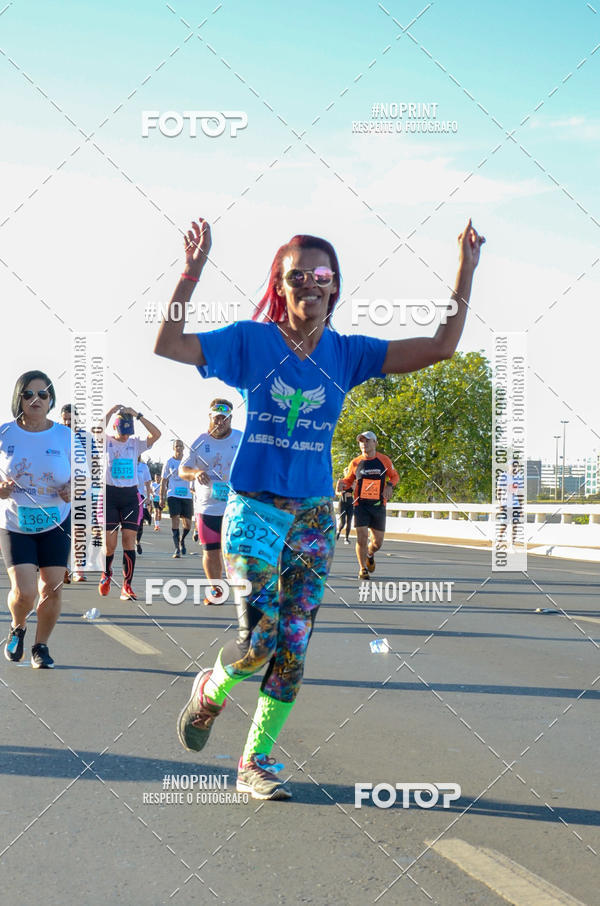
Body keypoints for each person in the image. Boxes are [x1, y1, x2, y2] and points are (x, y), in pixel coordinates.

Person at [154, 214, 484, 799]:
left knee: (294, 649)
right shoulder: (253, 343)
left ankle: (254, 761)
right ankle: (210, 690)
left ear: (336, 286)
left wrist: (466, 270)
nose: (310, 283)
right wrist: (191, 273)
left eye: (321, 274)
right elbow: (168, 344)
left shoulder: (347, 354)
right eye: (297, 275)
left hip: (312, 517)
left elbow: (441, 345)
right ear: (280, 288)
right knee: (258, 643)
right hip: (253, 510)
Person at [1, 372, 71, 668]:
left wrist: (74, 489)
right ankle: (18, 626)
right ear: (19, 398)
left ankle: (41, 647)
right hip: (16, 523)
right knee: (25, 592)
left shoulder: (66, 436)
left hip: (56, 522)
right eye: (29, 394)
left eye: (43, 395)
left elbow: (86, 477)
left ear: (51, 400)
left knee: (52, 588)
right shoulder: (4, 433)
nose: (36, 400)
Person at [179, 399, 242, 605]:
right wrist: (196, 472)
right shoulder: (199, 442)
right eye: (217, 418)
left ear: (231, 418)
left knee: (236, 550)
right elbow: (182, 470)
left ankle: (245, 588)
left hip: (237, 506)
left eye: (225, 419)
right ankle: (216, 589)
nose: (220, 422)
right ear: (210, 417)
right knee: (211, 550)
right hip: (208, 506)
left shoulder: (241, 439)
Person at [100, 406, 161, 600]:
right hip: (109, 496)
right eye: (123, 431)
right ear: (115, 428)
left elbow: (157, 434)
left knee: (128, 541)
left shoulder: (135, 444)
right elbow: (96, 431)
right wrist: (110, 412)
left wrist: (138, 415)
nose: (126, 436)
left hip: (129, 497)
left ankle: (127, 586)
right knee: (109, 545)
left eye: (129, 432)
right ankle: (107, 573)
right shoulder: (106, 441)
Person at [338, 431, 399, 580]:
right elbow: (348, 480)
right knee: (362, 537)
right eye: (361, 442)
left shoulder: (384, 460)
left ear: (375, 443)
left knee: (377, 543)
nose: (364, 444)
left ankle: (370, 554)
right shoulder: (355, 462)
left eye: (367, 441)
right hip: (360, 505)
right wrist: (341, 484)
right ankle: (362, 569)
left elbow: (395, 476)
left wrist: (390, 485)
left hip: (378, 505)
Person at [60, 403, 87, 583]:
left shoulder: (85, 438)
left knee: (79, 530)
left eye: (71, 419)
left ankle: (79, 569)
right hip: (58, 491)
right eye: (65, 419)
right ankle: (63, 566)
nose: (68, 422)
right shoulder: (55, 435)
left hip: (80, 489)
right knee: (61, 530)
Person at [161, 440, 193, 558]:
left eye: (180, 446)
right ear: (173, 448)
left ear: (184, 448)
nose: (178, 448)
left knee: (188, 525)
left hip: (187, 495)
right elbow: (164, 480)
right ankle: (176, 549)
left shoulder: (188, 461)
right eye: (176, 446)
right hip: (173, 495)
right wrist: (162, 497)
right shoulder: (169, 462)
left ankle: (182, 540)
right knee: (175, 520)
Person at [136, 456, 152, 555]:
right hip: (127, 495)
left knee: (140, 522)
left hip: (140, 497)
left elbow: (148, 483)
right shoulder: (127, 463)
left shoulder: (144, 467)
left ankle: (137, 541)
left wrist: (148, 497)